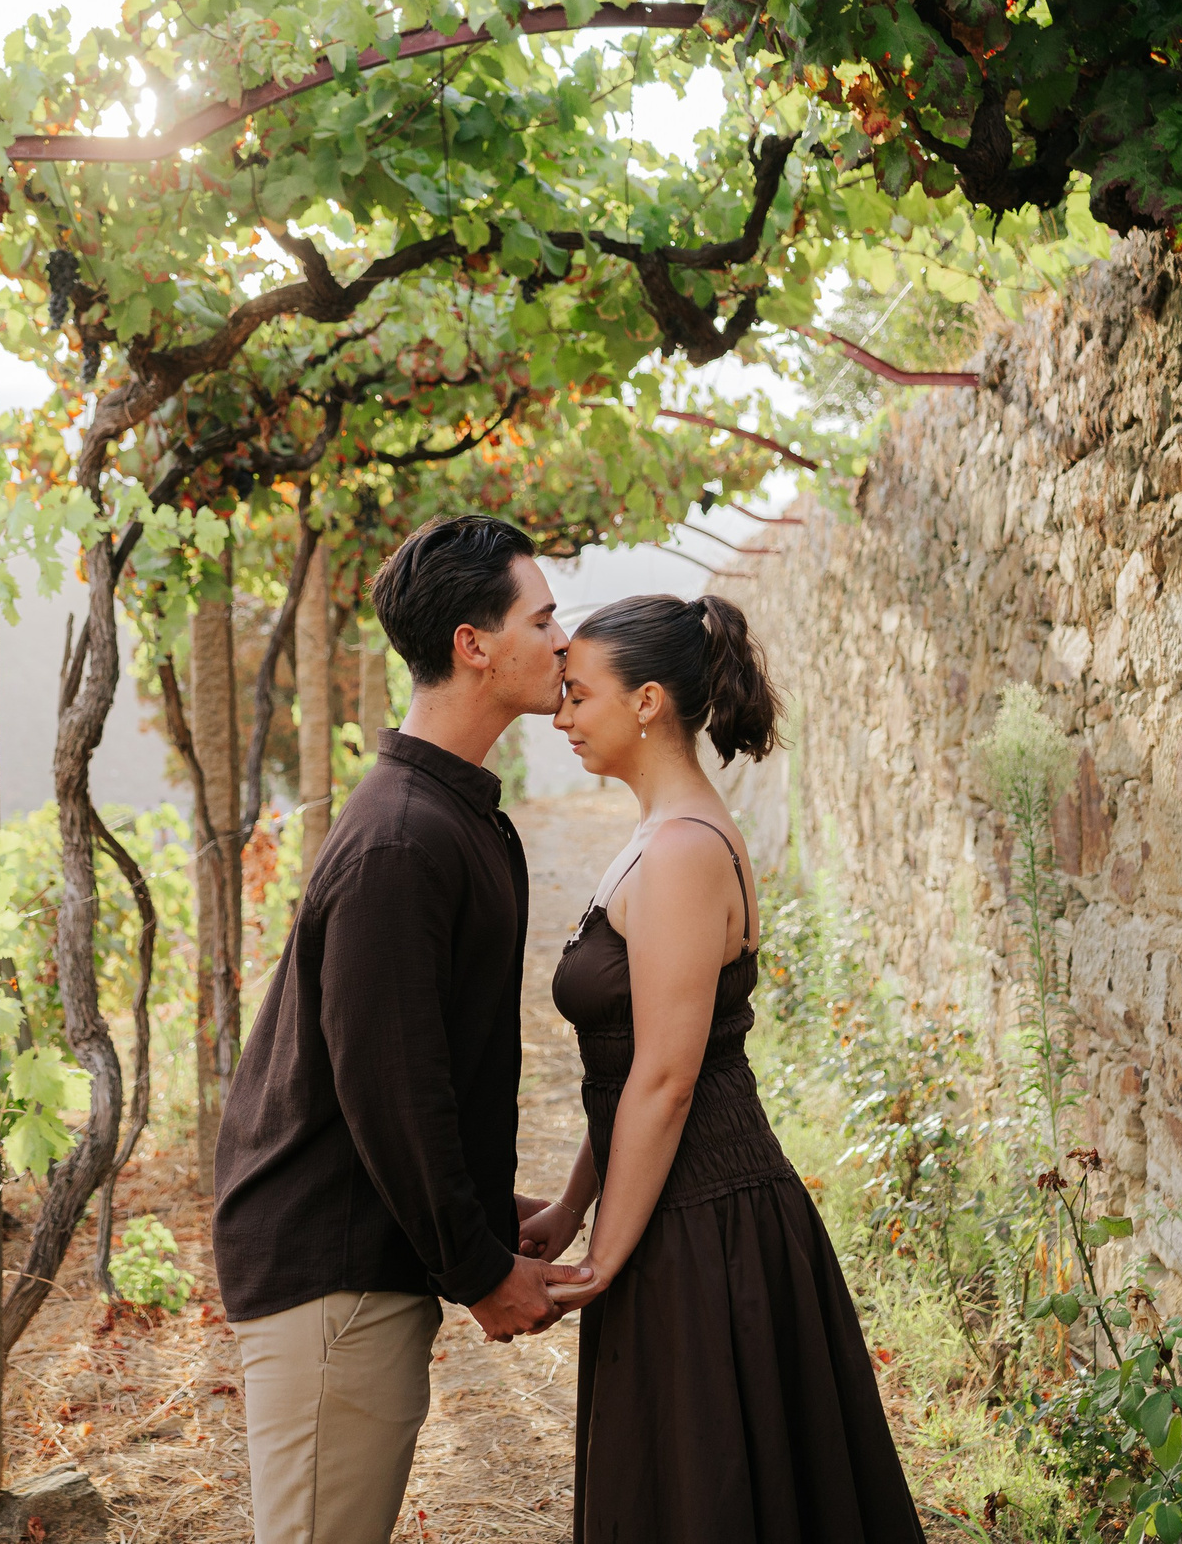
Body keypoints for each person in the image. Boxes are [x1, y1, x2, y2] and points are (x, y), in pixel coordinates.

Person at [214, 514, 593, 1544]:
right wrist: (480, 1272)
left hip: (361, 1258)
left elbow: (422, 1057)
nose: (562, 640)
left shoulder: (448, 817)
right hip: (329, 1272)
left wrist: (480, 1211)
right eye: (541, 619)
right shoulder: (402, 839)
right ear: (474, 645)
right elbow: (389, 1087)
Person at [520, 593, 927, 1544]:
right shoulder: (660, 836)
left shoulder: (681, 852)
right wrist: (574, 1205)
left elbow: (667, 1080)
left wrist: (607, 1254)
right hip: (676, 1204)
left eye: (579, 694)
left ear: (648, 701)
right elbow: (633, 1067)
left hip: (703, 1222)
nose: (561, 714)